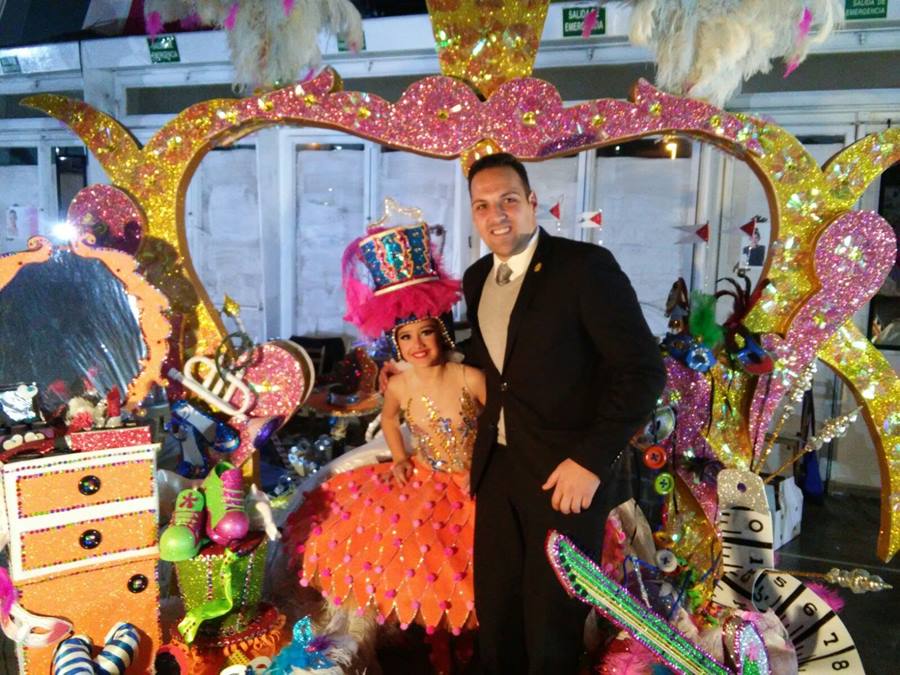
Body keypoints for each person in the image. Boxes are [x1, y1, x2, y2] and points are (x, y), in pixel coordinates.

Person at [463, 153, 666, 673]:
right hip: (497, 469)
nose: (496, 215)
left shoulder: (583, 268)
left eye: (508, 200)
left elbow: (642, 371)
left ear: (532, 202)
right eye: (482, 205)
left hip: (564, 474)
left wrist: (591, 460)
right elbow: (498, 369)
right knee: (497, 616)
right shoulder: (476, 277)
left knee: (551, 623)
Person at [284, 220, 485, 637]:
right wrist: (398, 457)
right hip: (425, 476)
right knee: (411, 557)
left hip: (472, 479)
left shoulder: (469, 377)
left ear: (443, 334)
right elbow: (390, 419)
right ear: (397, 344)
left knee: (471, 568)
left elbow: (501, 423)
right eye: (406, 337)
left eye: (426, 333)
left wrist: (490, 464)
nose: (418, 345)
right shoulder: (400, 385)